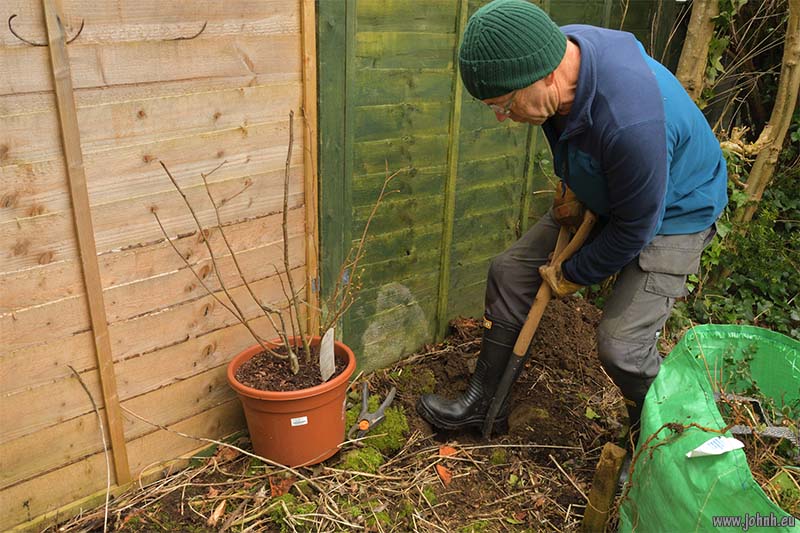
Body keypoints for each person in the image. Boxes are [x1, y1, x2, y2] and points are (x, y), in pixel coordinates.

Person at [416, 0, 728, 441]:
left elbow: (635, 227)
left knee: (621, 347)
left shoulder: (629, 121)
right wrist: (576, 181)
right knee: (508, 272)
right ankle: (483, 403)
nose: (502, 117)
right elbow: (572, 125)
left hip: (675, 210)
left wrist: (572, 272)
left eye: (504, 103)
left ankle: (667, 436)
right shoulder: (549, 52)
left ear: (545, 75)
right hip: (617, 187)